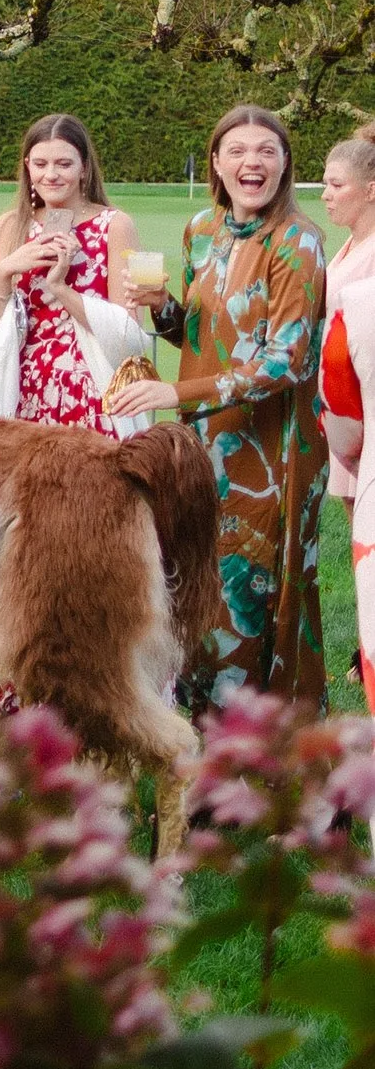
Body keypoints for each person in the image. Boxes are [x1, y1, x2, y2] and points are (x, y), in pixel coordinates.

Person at [114, 103, 328, 706]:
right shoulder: (199, 232)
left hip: (272, 456)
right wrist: (162, 306)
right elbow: (199, 336)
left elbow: (285, 362)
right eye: (237, 150)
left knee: (252, 596)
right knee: (198, 589)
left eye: (266, 151)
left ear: (285, 164)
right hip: (202, 451)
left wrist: (174, 393)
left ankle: (264, 750)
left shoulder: (297, 241)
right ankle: (204, 749)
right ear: (215, 161)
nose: (251, 162)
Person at [0, 113, 155, 723]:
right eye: (40, 164)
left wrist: (66, 288)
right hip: (26, 395)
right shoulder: (10, 225)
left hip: (91, 396)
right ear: (27, 169)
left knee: (84, 536)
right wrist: (5, 272)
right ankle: (15, 690)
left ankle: (98, 684)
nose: (51, 175)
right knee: (21, 539)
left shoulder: (112, 224)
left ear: (84, 166)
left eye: (63, 164)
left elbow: (131, 336)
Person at [320, 132, 375, 700]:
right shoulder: (347, 248)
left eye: (336, 185)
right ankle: (365, 651)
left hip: (360, 415)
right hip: (337, 411)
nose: (326, 195)